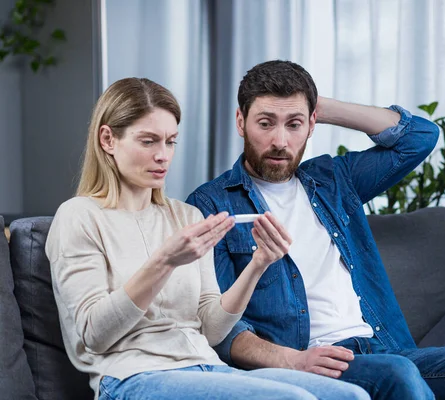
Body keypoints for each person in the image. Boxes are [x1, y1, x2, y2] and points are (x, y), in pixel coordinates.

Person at [186, 60, 445, 399]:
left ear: (312, 123)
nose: (280, 141)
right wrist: (294, 360)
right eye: (265, 123)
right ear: (241, 122)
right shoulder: (210, 204)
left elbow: (419, 138)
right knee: (399, 374)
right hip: (309, 363)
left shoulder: (334, 179)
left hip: (385, 349)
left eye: (295, 124)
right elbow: (220, 327)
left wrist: (319, 104)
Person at [45, 77, 370, 400]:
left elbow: (212, 329)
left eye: (170, 141)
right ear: (108, 139)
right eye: (148, 141)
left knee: (350, 396)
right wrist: (164, 262)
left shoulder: (185, 217)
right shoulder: (79, 216)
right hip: (131, 377)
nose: (163, 156)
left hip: (205, 366)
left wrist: (258, 264)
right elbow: (92, 335)